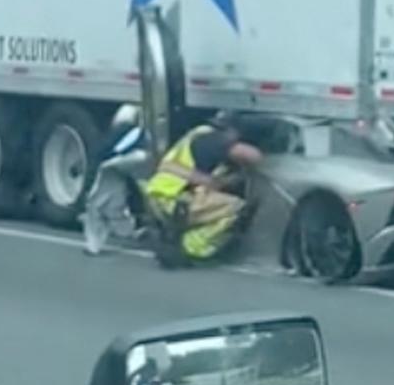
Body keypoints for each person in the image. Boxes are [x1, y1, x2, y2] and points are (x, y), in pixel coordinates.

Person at [144, 117, 263, 265]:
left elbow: (205, 179)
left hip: (161, 193)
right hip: (174, 198)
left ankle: (175, 238)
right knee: (238, 208)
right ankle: (190, 248)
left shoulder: (199, 133)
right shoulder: (215, 140)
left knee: (215, 202)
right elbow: (253, 156)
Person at [81, 104, 153, 256]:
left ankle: (93, 246)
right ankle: (134, 229)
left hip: (122, 160)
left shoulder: (121, 131)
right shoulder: (140, 131)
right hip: (139, 159)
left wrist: (88, 185)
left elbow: (111, 151)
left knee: (95, 203)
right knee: (118, 198)